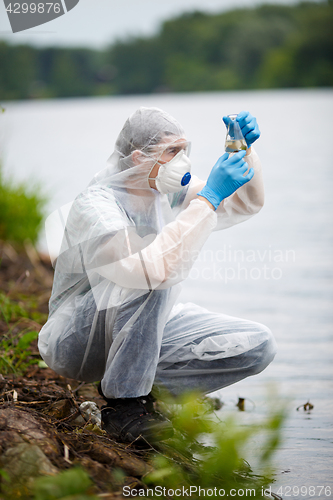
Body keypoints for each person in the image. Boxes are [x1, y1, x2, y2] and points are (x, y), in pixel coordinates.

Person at [38, 107, 277, 445]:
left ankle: (147, 394)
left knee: (257, 346)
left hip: (138, 328)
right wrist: (207, 199)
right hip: (79, 340)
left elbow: (243, 204)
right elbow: (148, 270)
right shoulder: (97, 206)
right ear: (139, 157)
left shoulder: (161, 193)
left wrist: (243, 152)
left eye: (184, 150)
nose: (184, 161)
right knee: (151, 274)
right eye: (173, 151)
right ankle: (125, 406)